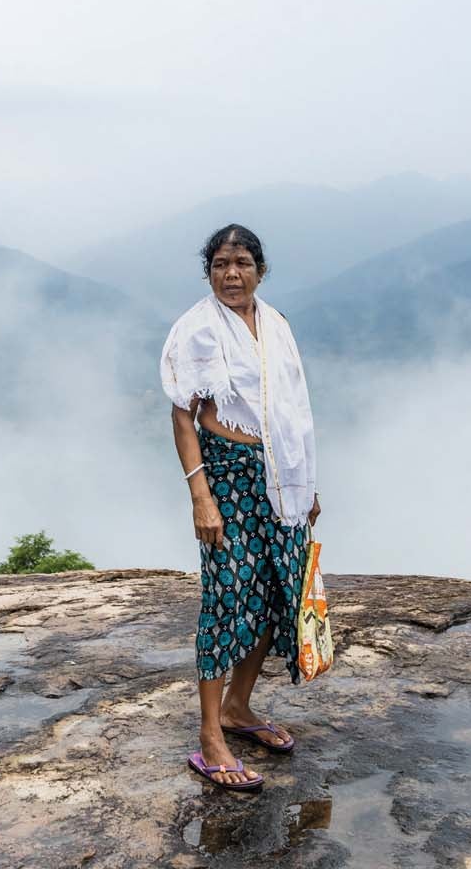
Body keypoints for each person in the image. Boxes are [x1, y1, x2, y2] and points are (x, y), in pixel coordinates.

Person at [160, 223, 320, 792]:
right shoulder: (197, 330)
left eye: (243, 263)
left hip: (281, 479)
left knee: (277, 593)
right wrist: (200, 496)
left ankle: (239, 708)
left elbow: (293, 409)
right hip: (227, 476)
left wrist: (308, 488)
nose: (232, 274)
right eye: (221, 264)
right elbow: (183, 415)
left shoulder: (275, 324)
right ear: (209, 271)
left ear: (261, 269)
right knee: (227, 597)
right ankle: (210, 737)